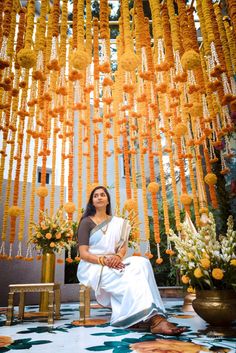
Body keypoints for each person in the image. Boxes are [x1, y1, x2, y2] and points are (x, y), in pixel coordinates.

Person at [77, 186, 186, 335]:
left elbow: (122, 248)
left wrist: (116, 257)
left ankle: (150, 314)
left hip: (114, 261)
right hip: (93, 265)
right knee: (130, 274)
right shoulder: (86, 222)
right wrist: (104, 260)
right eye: (96, 195)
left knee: (142, 262)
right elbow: (83, 253)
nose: (99, 197)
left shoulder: (118, 223)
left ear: (108, 200)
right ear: (92, 201)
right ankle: (154, 320)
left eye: (103, 194)